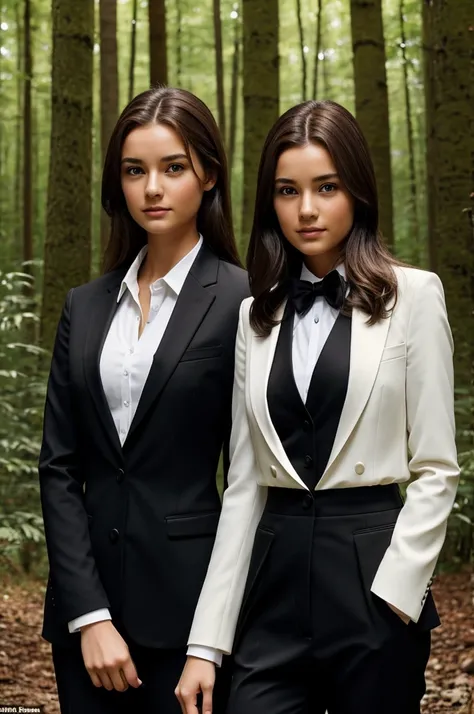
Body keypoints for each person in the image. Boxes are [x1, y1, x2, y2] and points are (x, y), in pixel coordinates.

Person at [176, 99, 460, 714]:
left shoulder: (414, 296)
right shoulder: (256, 314)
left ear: (355, 189)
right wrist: (206, 643)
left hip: (373, 583)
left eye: (325, 187)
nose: (306, 209)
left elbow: (437, 467)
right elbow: (244, 485)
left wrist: (398, 593)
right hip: (272, 585)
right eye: (287, 190)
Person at [39, 86, 249, 714]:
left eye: (173, 168)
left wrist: (209, 643)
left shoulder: (245, 299)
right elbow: (59, 466)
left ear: (208, 175)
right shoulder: (85, 304)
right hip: (85, 618)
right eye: (135, 171)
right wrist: (88, 613)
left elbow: (249, 480)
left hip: (190, 617)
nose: (152, 187)